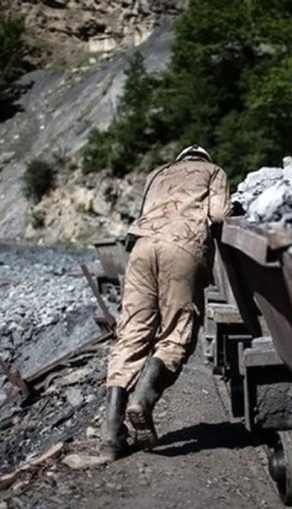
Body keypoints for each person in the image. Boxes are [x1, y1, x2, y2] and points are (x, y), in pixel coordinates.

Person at [102, 145, 232, 460]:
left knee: (131, 334)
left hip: (142, 250)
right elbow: (218, 215)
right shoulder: (214, 172)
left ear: (181, 158)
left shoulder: (156, 174)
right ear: (204, 159)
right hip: (182, 249)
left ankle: (111, 437)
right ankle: (143, 399)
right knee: (177, 331)